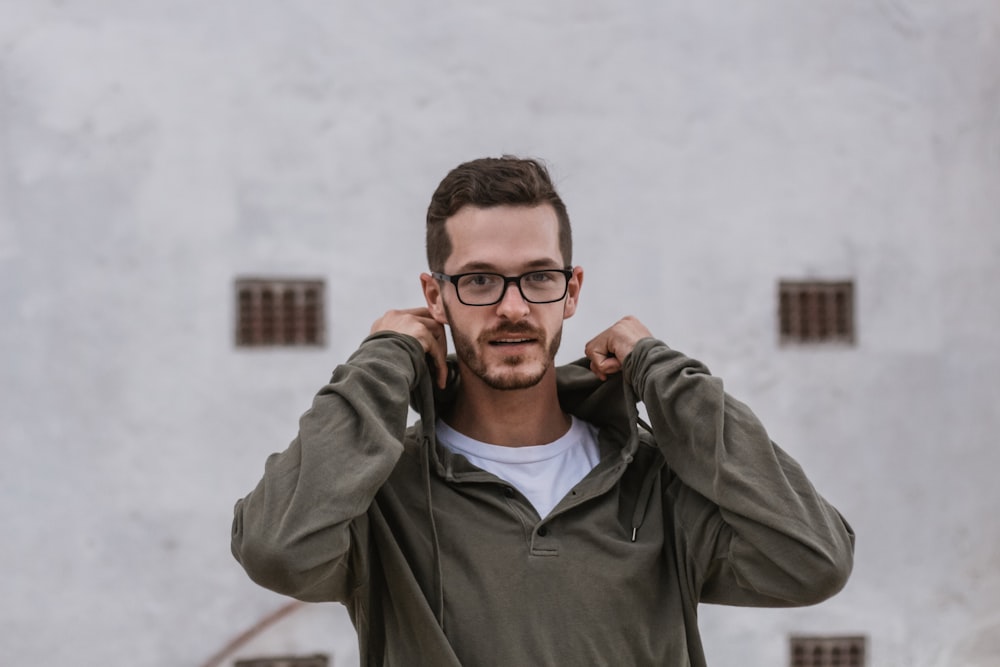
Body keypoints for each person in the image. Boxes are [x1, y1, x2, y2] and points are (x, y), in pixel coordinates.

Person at [231, 156, 855, 666]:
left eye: (537, 278)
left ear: (572, 290)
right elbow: (277, 549)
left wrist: (663, 372)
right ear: (435, 297)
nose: (511, 307)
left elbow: (816, 560)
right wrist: (384, 360)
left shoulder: (653, 483)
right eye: (478, 280)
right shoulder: (378, 494)